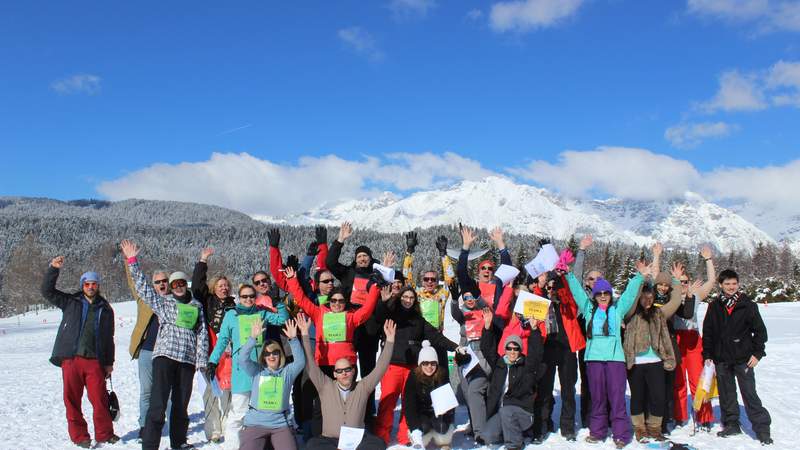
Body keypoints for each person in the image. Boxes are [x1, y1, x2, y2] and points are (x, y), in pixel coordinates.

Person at [122, 239, 209, 450]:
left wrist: (201, 360)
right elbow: (143, 289)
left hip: (187, 361)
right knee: (158, 404)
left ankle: (178, 442)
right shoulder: (164, 303)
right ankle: (150, 445)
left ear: (185, 285)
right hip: (165, 358)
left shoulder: (196, 305)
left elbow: (202, 333)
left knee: (181, 405)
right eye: (174, 285)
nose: (178, 287)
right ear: (170, 288)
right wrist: (132, 260)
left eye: (181, 283)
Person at [285, 265, 385, 436]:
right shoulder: (319, 313)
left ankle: (350, 434)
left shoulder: (351, 317)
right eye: (334, 301)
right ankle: (315, 437)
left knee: (349, 403)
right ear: (328, 302)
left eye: (341, 301)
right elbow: (301, 300)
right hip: (324, 365)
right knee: (319, 404)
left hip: (346, 367)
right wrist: (292, 280)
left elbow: (367, 309)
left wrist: (375, 287)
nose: (337, 304)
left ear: (345, 302)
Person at [566, 258, 647, 448]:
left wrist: (639, 277)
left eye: (606, 293)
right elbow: (577, 291)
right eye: (599, 293)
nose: (603, 296)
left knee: (617, 397)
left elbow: (629, 294)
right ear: (594, 295)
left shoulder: (617, 309)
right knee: (598, 397)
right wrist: (569, 274)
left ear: (610, 294)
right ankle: (597, 431)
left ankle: (620, 434)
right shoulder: (588, 309)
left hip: (615, 360)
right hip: (594, 359)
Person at [41, 256, 118, 448]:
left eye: (94, 284)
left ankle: (105, 433)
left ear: (98, 286)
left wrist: (109, 362)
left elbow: (109, 338)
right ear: (82, 285)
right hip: (71, 359)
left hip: (95, 361)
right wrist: (53, 269)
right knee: (72, 399)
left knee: (99, 399)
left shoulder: (106, 309)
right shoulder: (71, 301)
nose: (90, 287)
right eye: (87, 284)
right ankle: (80, 436)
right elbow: (47, 291)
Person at [371, 286, 460, 445]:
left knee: (409, 403)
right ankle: (382, 435)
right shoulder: (391, 314)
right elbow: (378, 316)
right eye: (405, 296)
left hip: (412, 368)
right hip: (392, 365)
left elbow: (436, 337)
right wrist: (383, 302)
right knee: (388, 401)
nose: (408, 300)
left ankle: (406, 436)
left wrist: (455, 347)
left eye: (411, 298)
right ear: (400, 298)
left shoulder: (418, 320)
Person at [207, 283, 289, 449]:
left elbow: (283, 319)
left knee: (262, 410)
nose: (249, 299)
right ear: (239, 297)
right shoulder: (231, 315)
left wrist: (278, 302)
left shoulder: (261, 312)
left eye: (252, 296)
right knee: (239, 412)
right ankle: (233, 446)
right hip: (242, 371)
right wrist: (213, 361)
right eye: (245, 296)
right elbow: (223, 340)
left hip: (261, 370)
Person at [302, 316, 397, 450]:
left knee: (378, 444)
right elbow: (310, 364)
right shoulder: (325, 385)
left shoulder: (363, 387)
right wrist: (305, 334)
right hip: (330, 441)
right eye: (340, 371)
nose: (344, 373)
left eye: (347, 369)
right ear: (334, 374)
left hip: (357, 441)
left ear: (353, 371)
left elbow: (380, 368)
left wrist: (390, 341)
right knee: (312, 445)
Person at [702, 269, 772, 445]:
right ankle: (731, 423)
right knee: (726, 394)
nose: (731, 287)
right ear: (721, 285)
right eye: (727, 284)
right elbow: (708, 332)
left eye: (734, 283)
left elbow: (761, 332)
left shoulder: (747, 305)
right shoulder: (715, 305)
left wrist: (757, 354)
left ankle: (762, 429)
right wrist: (708, 354)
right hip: (722, 359)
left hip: (743, 358)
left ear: (738, 284)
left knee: (749, 393)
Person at [325, 221, 382, 424]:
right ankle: (344, 410)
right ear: (355, 259)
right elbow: (330, 263)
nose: (362, 259)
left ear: (370, 259)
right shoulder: (348, 273)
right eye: (359, 256)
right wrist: (340, 240)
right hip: (348, 328)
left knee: (368, 372)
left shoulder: (377, 276)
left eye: (365, 256)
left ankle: (367, 414)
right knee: (345, 370)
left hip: (370, 330)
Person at [623, 263, 683, 443]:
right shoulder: (631, 314)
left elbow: (675, 301)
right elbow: (630, 300)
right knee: (638, 398)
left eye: (650, 297)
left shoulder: (659, 313)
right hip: (636, 363)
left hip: (656, 362)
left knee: (659, 397)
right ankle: (640, 429)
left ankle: (655, 428)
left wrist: (676, 281)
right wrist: (640, 278)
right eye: (644, 297)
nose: (647, 301)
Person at [532, 251, 586, 443]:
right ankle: (541, 426)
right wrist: (541, 284)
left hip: (567, 349)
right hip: (546, 349)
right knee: (544, 390)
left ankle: (568, 427)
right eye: (549, 286)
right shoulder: (541, 302)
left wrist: (560, 276)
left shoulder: (566, 304)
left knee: (568, 389)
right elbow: (535, 298)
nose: (551, 289)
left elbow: (569, 295)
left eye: (554, 286)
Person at [479, 308, 544, 450]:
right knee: (487, 436)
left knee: (506, 411)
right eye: (509, 348)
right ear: (505, 349)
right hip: (502, 412)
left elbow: (537, 353)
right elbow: (486, 348)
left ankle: (514, 444)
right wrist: (488, 326)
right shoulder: (500, 364)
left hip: (523, 413)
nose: (512, 351)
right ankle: (510, 432)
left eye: (516, 348)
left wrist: (534, 330)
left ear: (520, 350)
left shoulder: (526, 365)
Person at [238, 318, 305, 450]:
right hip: (255, 423)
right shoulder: (257, 371)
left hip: (279, 424)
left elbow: (300, 362)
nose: (271, 356)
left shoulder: (287, 372)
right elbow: (242, 359)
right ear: (263, 356)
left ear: (280, 355)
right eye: (267, 353)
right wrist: (252, 338)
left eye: (275, 352)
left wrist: (293, 339)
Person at [191, 248, 236, 443]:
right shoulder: (207, 301)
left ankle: (227, 426)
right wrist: (203, 261)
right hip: (209, 352)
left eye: (226, 285)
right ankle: (213, 430)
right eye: (220, 285)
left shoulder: (235, 305)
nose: (224, 288)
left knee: (227, 391)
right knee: (210, 392)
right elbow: (197, 287)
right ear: (213, 288)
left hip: (229, 355)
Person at [672, 246, 716, 431]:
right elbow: (656, 278)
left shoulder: (696, 296)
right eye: (680, 281)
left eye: (685, 281)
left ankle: (704, 416)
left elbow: (712, 281)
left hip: (693, 341)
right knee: (678, 381)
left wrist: (708, 260)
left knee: (698, 381)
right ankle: (679, 415)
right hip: (677, 341)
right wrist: (657, 256)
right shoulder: (670, 297)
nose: (683, 284)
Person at [126, 265, 171, 439]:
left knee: (169, 392)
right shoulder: (145, 299)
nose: (161, 284)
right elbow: (133, 282)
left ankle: (173, 423)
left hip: (167, 353)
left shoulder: (175, 301)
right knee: (146, 391)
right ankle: (145, 425)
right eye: (157, 282)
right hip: (146, 351)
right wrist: (128, 260)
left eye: (164, 281)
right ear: (152, 285)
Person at [402, 341, 455, 449]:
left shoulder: (442, 374)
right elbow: (409, 405)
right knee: (423, 427)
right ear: (420, 364)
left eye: (433, 363)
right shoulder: (413, 377)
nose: (429, 367)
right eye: (425, 363)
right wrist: (414, 429)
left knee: (442, 426)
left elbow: (449, 400)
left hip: (437, 412)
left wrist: (447, 411)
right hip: (420, 413)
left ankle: (443, 442)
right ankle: (420, 438)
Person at [572, 234, 600, 428]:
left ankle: (603, 416)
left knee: (604, 384)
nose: (594, 281)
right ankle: (587, 417)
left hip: (606, 347)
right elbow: (575, 276)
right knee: (587, 382)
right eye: (591, 279)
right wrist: (581, 251)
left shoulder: (609, 300)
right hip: (587, 347)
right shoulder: (584, 299)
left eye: (598, 278)